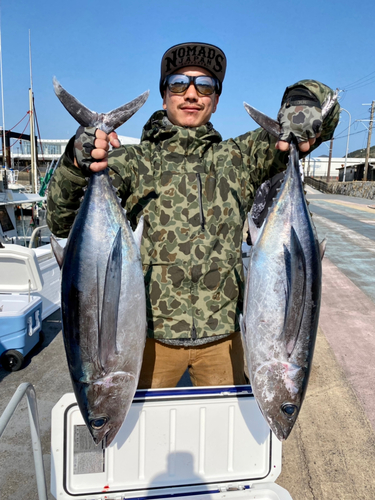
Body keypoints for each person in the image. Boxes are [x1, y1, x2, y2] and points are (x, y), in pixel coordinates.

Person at [47, 42, 340, 389]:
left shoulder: (238, 158)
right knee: (144, 439)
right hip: (148, 340)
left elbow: (314, 126)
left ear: (215, 100)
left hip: (223, 339)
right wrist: (75, 161)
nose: (191, 94)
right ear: (163, 96)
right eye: (177, 83)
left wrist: (301, 104)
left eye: (205, 86)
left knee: (222, 438)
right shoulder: (132, 162)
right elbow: (60, 218)